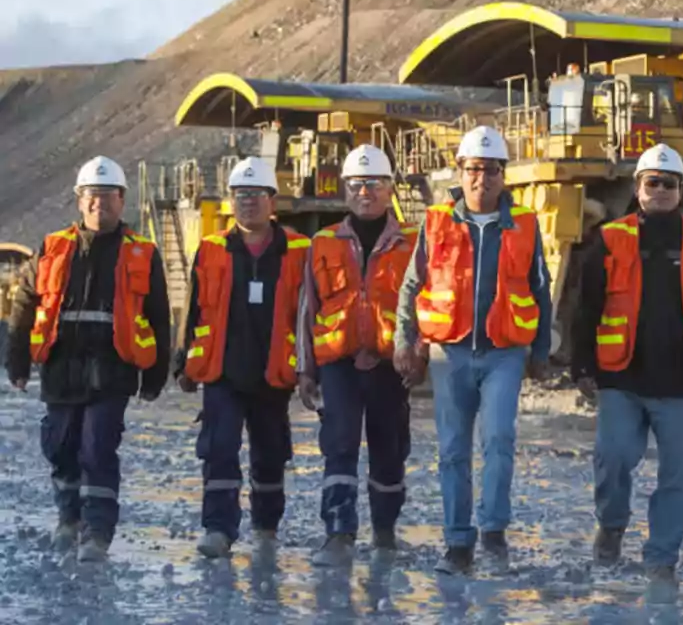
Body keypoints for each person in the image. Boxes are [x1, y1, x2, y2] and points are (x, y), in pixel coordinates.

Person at [571, 143, 683, 584]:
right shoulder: (610, 239)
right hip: (621, 377)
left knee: (679, 475)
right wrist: (581, 366)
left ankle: (661, 558)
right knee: (613, 457)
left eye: (669, 183)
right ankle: (612, 523)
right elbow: (586, 307)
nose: (660, 190)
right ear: (638, 187)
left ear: (681, 190)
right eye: (652, 182)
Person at [394, 125, 553, 576]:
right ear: (460, 172)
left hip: (504, 352)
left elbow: (541, 288)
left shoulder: (524, 225)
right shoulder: (436, 223)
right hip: (452, 354)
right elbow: (412, 286)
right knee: (453, 450)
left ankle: (494, 531)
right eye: (474, 169)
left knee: (499, 437)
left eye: (492, 170)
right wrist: (405, 341)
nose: (483, 178)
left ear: (505, 176)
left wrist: (540, 350)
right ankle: (457, 543)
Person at [4, 156, 170, 561]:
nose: (100, 204)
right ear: (79, 200)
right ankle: (69, 518)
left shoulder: (143, 253)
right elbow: (25, 303)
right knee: (60, 446)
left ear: (122, 199)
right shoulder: (52, 247)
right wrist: (18, 361)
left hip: (113, 368)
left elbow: (159, 317)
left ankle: (98, 531)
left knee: (97, 448)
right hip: (61, 366)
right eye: (91, 196)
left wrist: (155, 376)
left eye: (108, 196)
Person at [176, 157, 310, 558]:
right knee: (219, 449)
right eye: (240, 195)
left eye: (255, 195)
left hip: (273, 372)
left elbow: (311, 311)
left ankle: (266, 526)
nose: (247, 202)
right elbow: (194, 306)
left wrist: (312, 369)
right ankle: (218, 529)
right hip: (223, 370)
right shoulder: (212, 248)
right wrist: (183, 360)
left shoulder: (299, 248)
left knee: (270, 453)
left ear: (273, 200)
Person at [296, 144, 418, 566]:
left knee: (389, 449)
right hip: (338, 365)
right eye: (356, 184)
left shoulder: (412, 242)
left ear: (389, 190)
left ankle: (385, 532)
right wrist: (304, 368)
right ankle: (338, 533)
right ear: (344, 190)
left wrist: (417, 354)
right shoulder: (323, 243)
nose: (364, 192)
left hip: (389, 365)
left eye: (374, 184)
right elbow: (307, 308)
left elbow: (425, 305)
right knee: (339, 445)